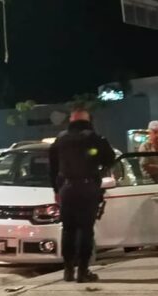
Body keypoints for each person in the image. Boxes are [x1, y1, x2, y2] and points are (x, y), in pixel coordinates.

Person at [49, 108, 115, 283]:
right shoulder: (95, 138)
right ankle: (83, 272)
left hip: (66, 189)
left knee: (68, 230)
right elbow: (109, 159)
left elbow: (52, 167)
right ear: (88, 120)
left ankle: (68, 270)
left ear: (71, 120)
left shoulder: (60, 139)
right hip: (87, 188)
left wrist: (56, 190)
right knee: (86, 230)